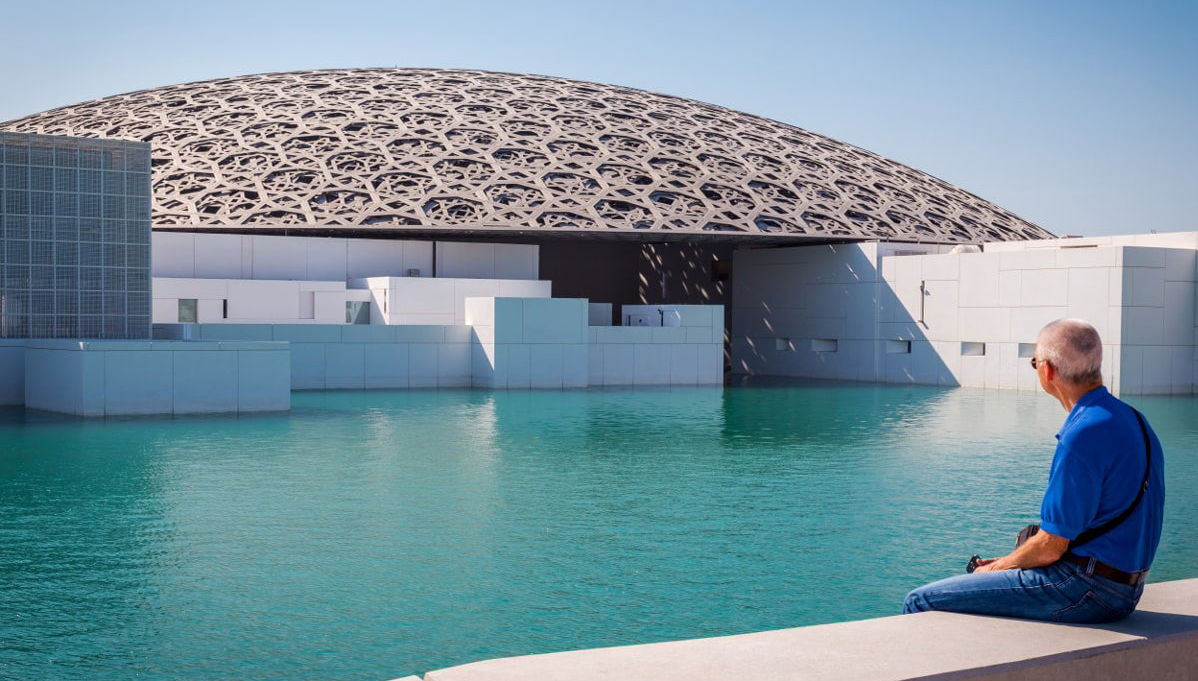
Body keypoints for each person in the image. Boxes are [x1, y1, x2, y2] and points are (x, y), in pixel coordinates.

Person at [903, 318, 1165, 623]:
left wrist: (992, 570)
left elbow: (1051, 548)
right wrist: (1009, 562)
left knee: (920, 601)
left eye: (1034, 362)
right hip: (1126, 589)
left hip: (1087, 590)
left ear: (1047, 370)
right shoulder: (1134, 420)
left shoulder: (1082, 434)